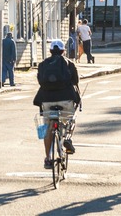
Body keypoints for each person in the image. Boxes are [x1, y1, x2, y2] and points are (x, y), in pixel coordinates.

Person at [33, 39, 80, 169]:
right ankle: (67, 138)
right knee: (70, 120)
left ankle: (48, 158)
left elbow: (40, 81)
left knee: (47, 129)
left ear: (50, 51)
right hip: (66, 100)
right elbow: (76, 81)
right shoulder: (69, 64)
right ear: (63, 51)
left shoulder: (43, 65)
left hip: (46, 101)